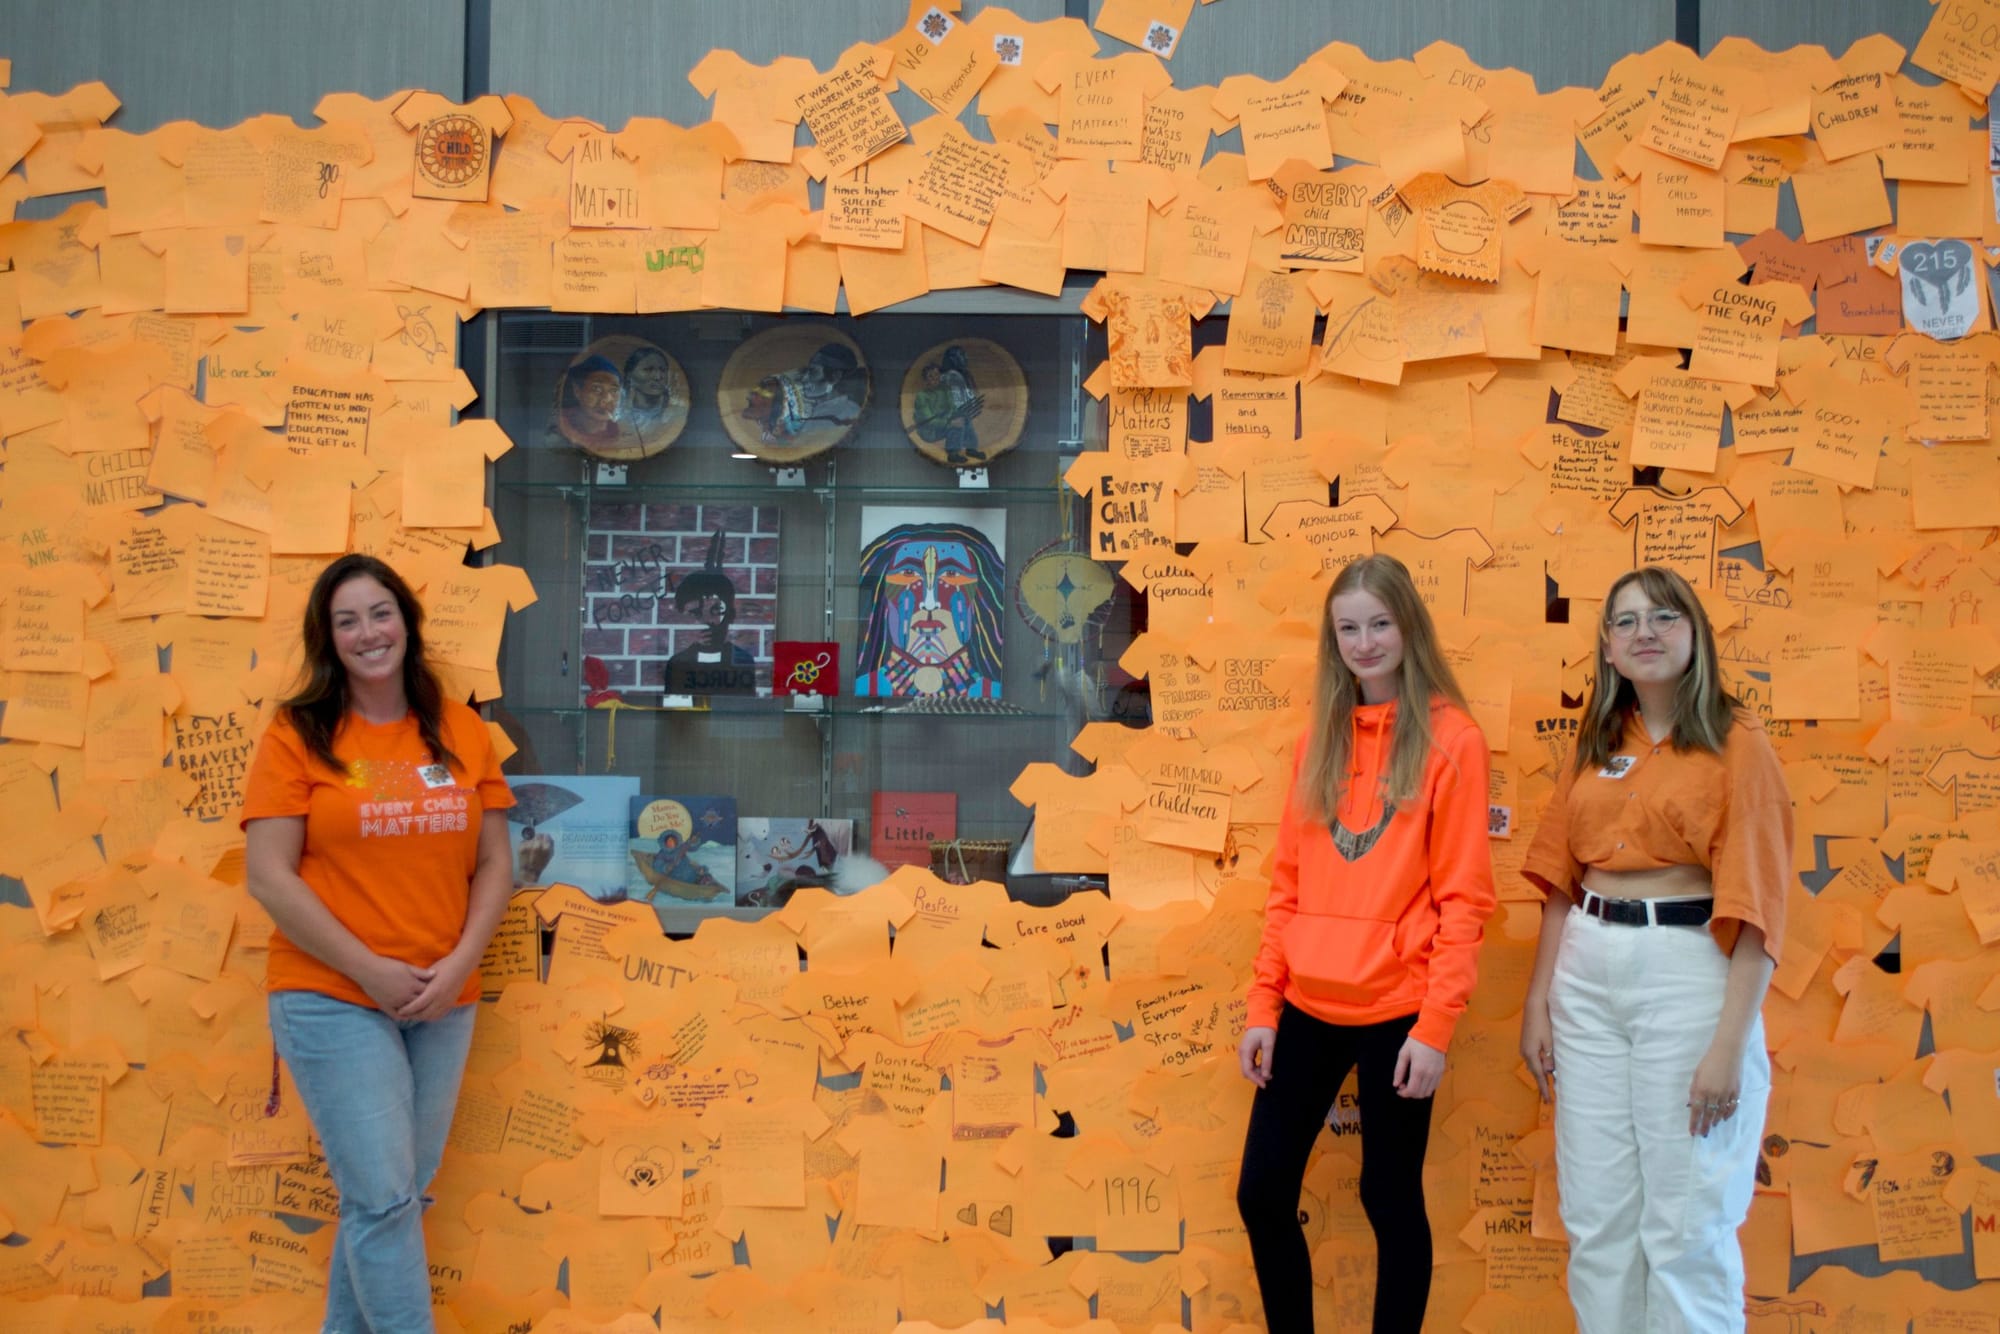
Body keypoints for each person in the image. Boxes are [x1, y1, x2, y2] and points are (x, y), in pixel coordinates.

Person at [241, 554, 514, 1334]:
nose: (369, 633)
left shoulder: (460, 728)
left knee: (389, 1200)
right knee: (385, 1200)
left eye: (381, 613)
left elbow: (495, 862)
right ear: (328, 640)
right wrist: (372, 971)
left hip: (442, 996)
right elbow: (270, 877)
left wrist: (459, 965)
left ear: (408, 622)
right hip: (332, 997)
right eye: (348, 620)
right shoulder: (297, 736)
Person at [1517, 566, 1789, 1334]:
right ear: (1606, 649)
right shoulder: (1597, 743)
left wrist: (1729, 1046)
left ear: (1695, 634)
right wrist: (1538, 1000)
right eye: (1627, 621)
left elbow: (1760, 907)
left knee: (1686, 1223)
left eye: (1664, 618)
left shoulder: (1740, 745)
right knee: (1599, 1221)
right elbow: (1561, 881)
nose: (1645, 633)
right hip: (1587, 973)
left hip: (1688, 974)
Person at [1236, 554, 1496, 1334]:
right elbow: (1288, 885)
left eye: (1380, 623)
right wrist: (1263, 1004)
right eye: (1348, 627)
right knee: (1262, 1194)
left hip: (1398, 1012)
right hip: (1308, 1000)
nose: (1366, 641)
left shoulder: (1454, 740)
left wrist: (1436, 1027)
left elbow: (1465, 899)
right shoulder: (1319, 739)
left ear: (1409, 624)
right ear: (1333, 639)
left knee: (1387, 1198)